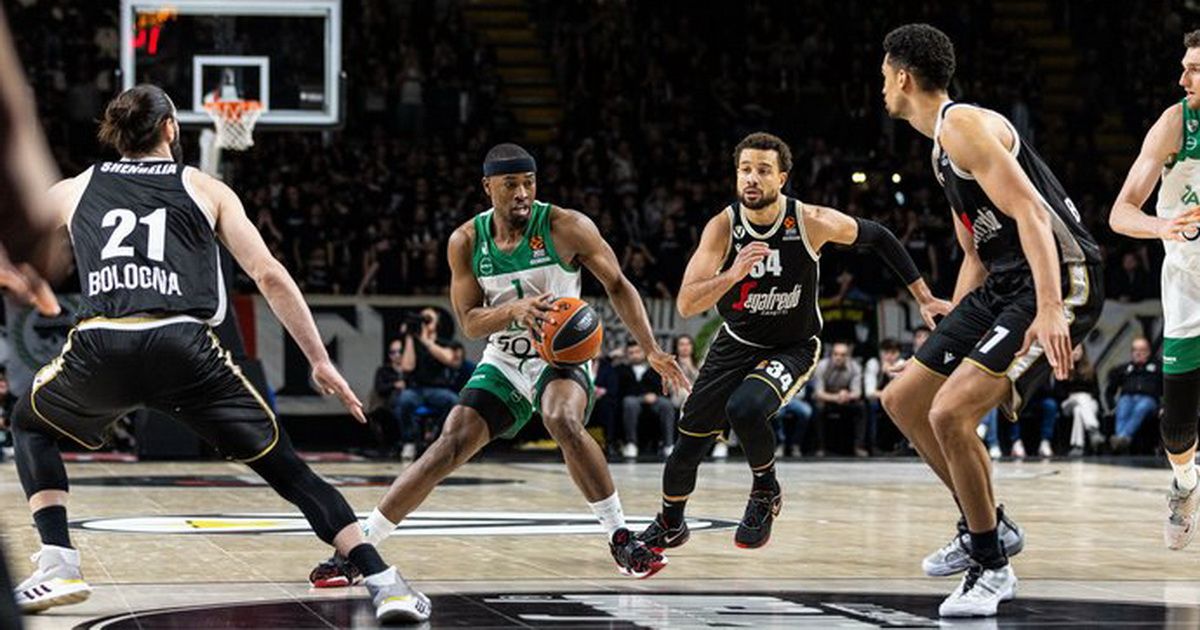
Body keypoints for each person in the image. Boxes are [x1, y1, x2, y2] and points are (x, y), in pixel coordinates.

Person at [7, 85, 429, 623]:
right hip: (184, 347)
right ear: (170, 128)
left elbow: (12, 238)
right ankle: (383, 581)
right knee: (288, 470)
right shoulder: (204, 187)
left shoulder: (76, 187)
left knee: (30, 424)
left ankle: (59, 561)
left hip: (102, 345)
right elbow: (269, 275)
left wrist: (22, 280)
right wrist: (320, 359)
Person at [308, 143, 691, 585]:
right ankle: (359, 550)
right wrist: (514, 311)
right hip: (505, 356)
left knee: (561, 418)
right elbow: (469, 323)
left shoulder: (567, 226)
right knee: (448, 444)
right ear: (488, 186)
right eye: (511, 184)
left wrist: (650, 348)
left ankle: (621, 538)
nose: (523, 193)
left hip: (558, 356)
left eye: (529, 183)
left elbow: (618, 285)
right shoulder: (466, 241)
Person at [637, 131, 949, 561]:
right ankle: (672, 523)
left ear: (782, 178)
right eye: (745, 170)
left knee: (745, 408)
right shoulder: (723, 226)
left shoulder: (809, 220)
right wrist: (734, 274)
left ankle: (765, 490)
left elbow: (879, 236)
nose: (752, 178)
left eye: (763, 171)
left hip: (793, 345)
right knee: (687, 445)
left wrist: (924, 297)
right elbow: (687, 303)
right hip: (736, 342)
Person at [878, 24, 1104, 617]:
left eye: (884, 77)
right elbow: (975, 254)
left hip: (1058, 277)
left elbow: (1032, 213)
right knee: (904, 398)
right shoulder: (940, 149)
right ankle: (988, 525)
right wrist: (949, 329)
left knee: (950, 413)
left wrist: (1051, 306)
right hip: (1001, 282)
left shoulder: (964, 126)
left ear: (902, 77)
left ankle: (991, 565)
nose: (882, 88)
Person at [1109, 28, 1200, 549]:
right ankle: (1186, 483)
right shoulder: (1175, 123)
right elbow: (1121, 212)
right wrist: (1161, 226)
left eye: (1194, 69)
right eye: (1185, 66)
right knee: (1176, 429)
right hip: (1188, 287)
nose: (1182, 78)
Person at [395, 307, 461, 453]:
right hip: (416, 389)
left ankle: (439, 438)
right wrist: (410, 337)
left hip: (438, 389)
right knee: (403, 401)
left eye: (429, 319)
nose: (425, 322)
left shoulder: (444, 342)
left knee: (454, 402)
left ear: (437, 323)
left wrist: (427, 341)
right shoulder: (413, 343)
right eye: (423, 319)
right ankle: (410, 441)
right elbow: (407, 367)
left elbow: (449, 358)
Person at [618, 339, 676, 458]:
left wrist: (654, 395)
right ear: (627, 355)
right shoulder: (622, 370)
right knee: (629, 403)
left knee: (666, 404)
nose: (635, 355)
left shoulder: (655, 369)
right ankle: (631, 443)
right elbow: (622, 390)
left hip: (655, 398)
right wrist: (643, 396)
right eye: (631, 353)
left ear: (644, 353)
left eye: (637, 352)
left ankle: (668, 445)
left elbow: (662, 387)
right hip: (633, 399)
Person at [1104, 337, 1162, 454]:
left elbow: (1169, 389)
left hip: (1149, 400)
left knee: (1142, 406)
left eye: (1142, 350)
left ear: (1148, 352)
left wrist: (1163, 407)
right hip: (1128, 398)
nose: (1138, 353)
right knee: (1123, 404)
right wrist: (1112, 406)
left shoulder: (1158, 368)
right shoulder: (1124, 369)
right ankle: (1122, 439)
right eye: (1135, 350)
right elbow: (1109, 390)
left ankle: (1122, 437)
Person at [811, 341, 866, 457]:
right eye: (835, 354)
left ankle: (858, 447)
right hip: (827, 399)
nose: (838, 357)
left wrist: (846, 395)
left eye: (842, 355)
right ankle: (820, 448)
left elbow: (857, 393)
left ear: (848, 356)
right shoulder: (822, 366)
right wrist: (836, 397)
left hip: (846, 399)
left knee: (861, 407)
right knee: (818, 408)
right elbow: (819, 393)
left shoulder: (855, 367)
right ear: (831, 355)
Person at [371, 338, 412, 457]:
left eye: (400, 351)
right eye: (393, 352)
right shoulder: (384, 371)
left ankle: (409, 442)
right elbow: (379, 388)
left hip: (409, 405)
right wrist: (395, 385)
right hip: (388, 405)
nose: (397, 355)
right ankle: (398, 444)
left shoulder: (410, 370)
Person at [1059, 345, 1103, 456]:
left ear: (1083, 352)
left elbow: (1096, 392)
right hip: (1068, 403)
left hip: (1087, 402)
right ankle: (1093, 430)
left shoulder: (1090, 370)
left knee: (1079, 410)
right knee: (1080, 397)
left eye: (1078, 349)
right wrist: (1073, 396)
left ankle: (1078, 446)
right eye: (1073, 349)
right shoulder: (1062, 369)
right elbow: (1058, 392)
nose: (1075, 352)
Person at [864, 338, 903, 453]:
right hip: (877, 401)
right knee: (872, 407)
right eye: (886, 352)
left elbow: (903, 390)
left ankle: (901, 444)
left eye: (893, 353)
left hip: (896, 401)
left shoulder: (902, 364)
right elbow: (869, 392)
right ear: (880, 353)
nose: (889, 356)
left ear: (899, 354)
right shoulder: (873, 363)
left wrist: (890, 373)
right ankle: (873, 445)